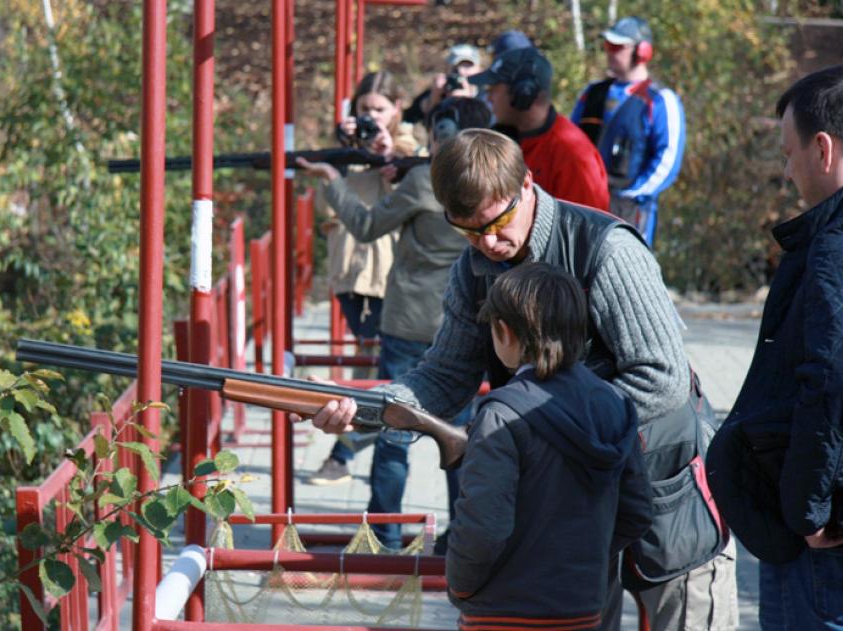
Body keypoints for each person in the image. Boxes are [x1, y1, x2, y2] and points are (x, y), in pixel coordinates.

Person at [297, 129, 737, 630]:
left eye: (496, 222)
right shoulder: (475, 267)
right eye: (466, 230)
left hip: (664, 486)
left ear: (527, 184)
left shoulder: (608, 249)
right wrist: (367, 410)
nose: (486, 243)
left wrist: (542, 430)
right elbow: (446, 374)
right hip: (577, 510)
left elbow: (663, 379)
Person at [301, 97, 493, 546]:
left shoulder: (426, 180)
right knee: (463, 438)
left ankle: (385, 535)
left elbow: (366, 226)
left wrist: (333, 182)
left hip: (408, 323)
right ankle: (462, 536)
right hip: (466, 324)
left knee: (392, 432)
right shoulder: (487, 181)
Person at [706, 65, 843, 630]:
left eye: (789, 155)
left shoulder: (833, 249)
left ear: (824, 148)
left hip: (820, 545)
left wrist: (808, 508)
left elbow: (831, 376)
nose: (787, 173)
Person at [447, 261, 652, 631]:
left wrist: (460, 586)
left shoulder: (499, 415)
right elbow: (636, 511)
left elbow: (482, 527)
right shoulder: (616, 404)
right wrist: (583, 559)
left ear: (503, 331)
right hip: (583, 606)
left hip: (502, 611)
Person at [319, 69, 418, 419]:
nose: (371, 117)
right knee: (368, 356)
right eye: (365, 109)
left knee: (380, 364)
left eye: (379, 109)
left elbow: (413, 201)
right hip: (349, 271)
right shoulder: (349, 149)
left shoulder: (410, 148)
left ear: (397, 109)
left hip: (389, 273)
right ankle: (357, 435)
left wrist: (389, 156)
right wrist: (342, 152)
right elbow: (325, 208)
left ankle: (350, 444)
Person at [570, 16, 686, 247]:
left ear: (642, 52)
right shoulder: (592, 93)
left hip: (631, 211)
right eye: (607, 46)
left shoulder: (660, 100)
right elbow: (569, 142)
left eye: (617, 47)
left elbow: (667, 160)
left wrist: (632, 194)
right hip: (584, 204)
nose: (610, 52)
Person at [468, 46, 610, 211]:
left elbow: (586, 231)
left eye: (494, 89)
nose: (489, 97)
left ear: (523, 93)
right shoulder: (506, 137)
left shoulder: (572, 155)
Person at [402, 43, 483, 127]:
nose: (461, 72)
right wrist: (434, 100)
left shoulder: (487, 96)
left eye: (467, 66)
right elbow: (407, 122)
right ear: (447, 70)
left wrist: (469, 104)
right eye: (455, 68)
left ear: (480, 69)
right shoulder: (439, 92)